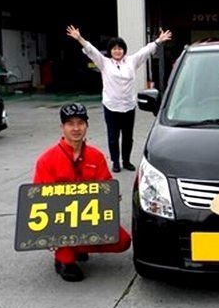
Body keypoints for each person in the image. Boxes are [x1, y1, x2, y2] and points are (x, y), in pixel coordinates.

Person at [32, 103, 132, 282]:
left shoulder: (96, 156)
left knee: (123, 241)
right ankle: (64, 257)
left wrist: (112, 196)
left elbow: (106, 184)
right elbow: (38, 200)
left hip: (90, 218)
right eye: (70, 124)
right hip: (60, 223)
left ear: (87, 125)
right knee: (71, 270)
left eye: (80, 123)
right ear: (62, 127)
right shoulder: (46, 160)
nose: (76, 128)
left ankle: (77, 247)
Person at [66, 25, 172, 173]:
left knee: (128, 137)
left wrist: (158, 40)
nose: (117, 51)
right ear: (110, 51)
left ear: (124, 50)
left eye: (120, 48)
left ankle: (126, 161)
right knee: (113, 137)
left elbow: (145, 51)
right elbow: (91, 50)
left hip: (128, 106)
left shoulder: (132, 61)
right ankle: (115, 162)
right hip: (111, 106)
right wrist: (79, 39)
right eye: (114, 49)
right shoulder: (104, 63)